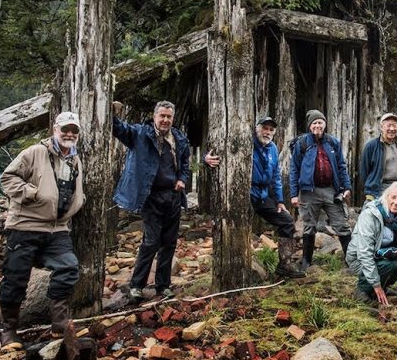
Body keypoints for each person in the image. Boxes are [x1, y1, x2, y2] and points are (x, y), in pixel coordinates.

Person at [0, 111, 84, 351]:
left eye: (74, 131)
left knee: (68, 267)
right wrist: (30, 193)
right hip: (25, 226)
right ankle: (8, 331)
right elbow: (8, 177)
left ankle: (58, 324)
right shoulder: (35, 152)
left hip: (57, 229)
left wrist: (79, 201)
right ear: (54, 129)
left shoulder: (75, 159)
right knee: (15, 278)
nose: (69, 134)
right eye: (65, 129)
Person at [204, 116, 305, 278]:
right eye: (265, 128)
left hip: (263, 196)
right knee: (238, 227)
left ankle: (284, 265)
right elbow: (220, 154)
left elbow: (276, 177)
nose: (268, 132)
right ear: (257, 128)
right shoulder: (246, 143)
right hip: (244, 194)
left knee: (286, 221)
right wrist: (205, 159)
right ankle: (235, 267)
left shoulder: (272, 148)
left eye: (271, 130)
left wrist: (279, 201)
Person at [112, 100, 190, 301]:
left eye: (169, 117)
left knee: (169, 242)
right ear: (154, 117)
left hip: (173, 196)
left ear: (173, 118)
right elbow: (119, 129)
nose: (165, 120)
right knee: (151, 241)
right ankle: (137, 285)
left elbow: (185, 163)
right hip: (151, 196)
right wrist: (111, 114)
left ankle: (163, 285)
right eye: (162, 116)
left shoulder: (179, 138)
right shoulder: (139, 134)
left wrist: (182, 179)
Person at [289, 109, 352, 269]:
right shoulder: (302, 143)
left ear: (325, 124)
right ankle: (306, 261)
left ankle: (351, 260)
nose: (318, 125)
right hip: (309, 191)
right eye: (314, 123)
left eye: (320, 122)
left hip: (331, 190)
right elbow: (294, 169)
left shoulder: (333, 142)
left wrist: (347, 187)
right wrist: (294, 194)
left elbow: (341, 166)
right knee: (309, 225)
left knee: (341, 225)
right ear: (310, 126)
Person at [346, 182, 397, 306]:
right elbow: (364, 253)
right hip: (360, 259)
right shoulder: (371, 214)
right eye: (393, 197)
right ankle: (362, 290)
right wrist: (376, 285)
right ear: (386, 197)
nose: (396, 202)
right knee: (391, 263)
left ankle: (383, 286)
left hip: (383, 256)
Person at [359, 113, 397, 203]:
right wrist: (371, 187)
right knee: (372, 214)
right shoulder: (371, 146)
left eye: (394, 126)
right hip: (379, 188)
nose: (392, 129)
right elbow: (364, 171)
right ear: (381, 127)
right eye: (388, 125)